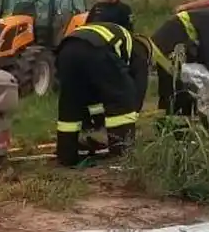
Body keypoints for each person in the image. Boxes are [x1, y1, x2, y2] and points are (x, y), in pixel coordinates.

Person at [54, 22, 143, 167]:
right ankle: (122, 153)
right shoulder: (140, 51)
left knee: (71, 102)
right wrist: (132, 114)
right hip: (97, 49)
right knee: (121, 98)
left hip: (66, 50)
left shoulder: (115, 34)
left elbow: (93, 95)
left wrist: (93, 122)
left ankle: (67, 155)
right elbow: (137, 89)